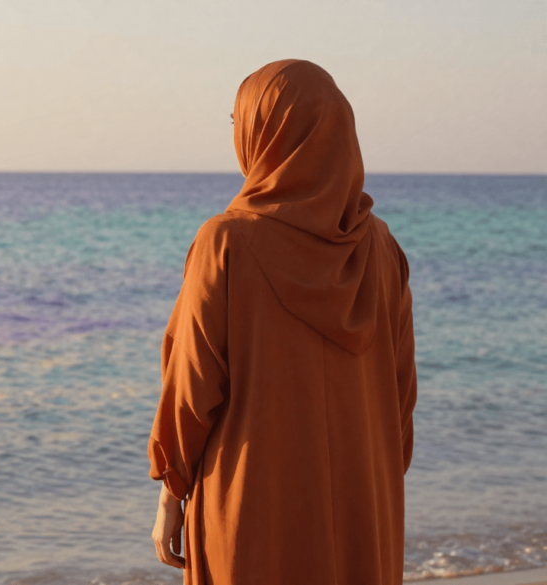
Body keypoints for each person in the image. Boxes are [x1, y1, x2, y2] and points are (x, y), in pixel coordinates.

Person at [147, 59, 417, 585]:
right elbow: (400, 400)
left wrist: (171, 493)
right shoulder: (383, 248)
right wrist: (373, 481)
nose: (236, 133)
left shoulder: (225, 242)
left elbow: (191, 387)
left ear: (266, 133)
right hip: (365, 504)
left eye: (239, 120)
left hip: (251, 507)